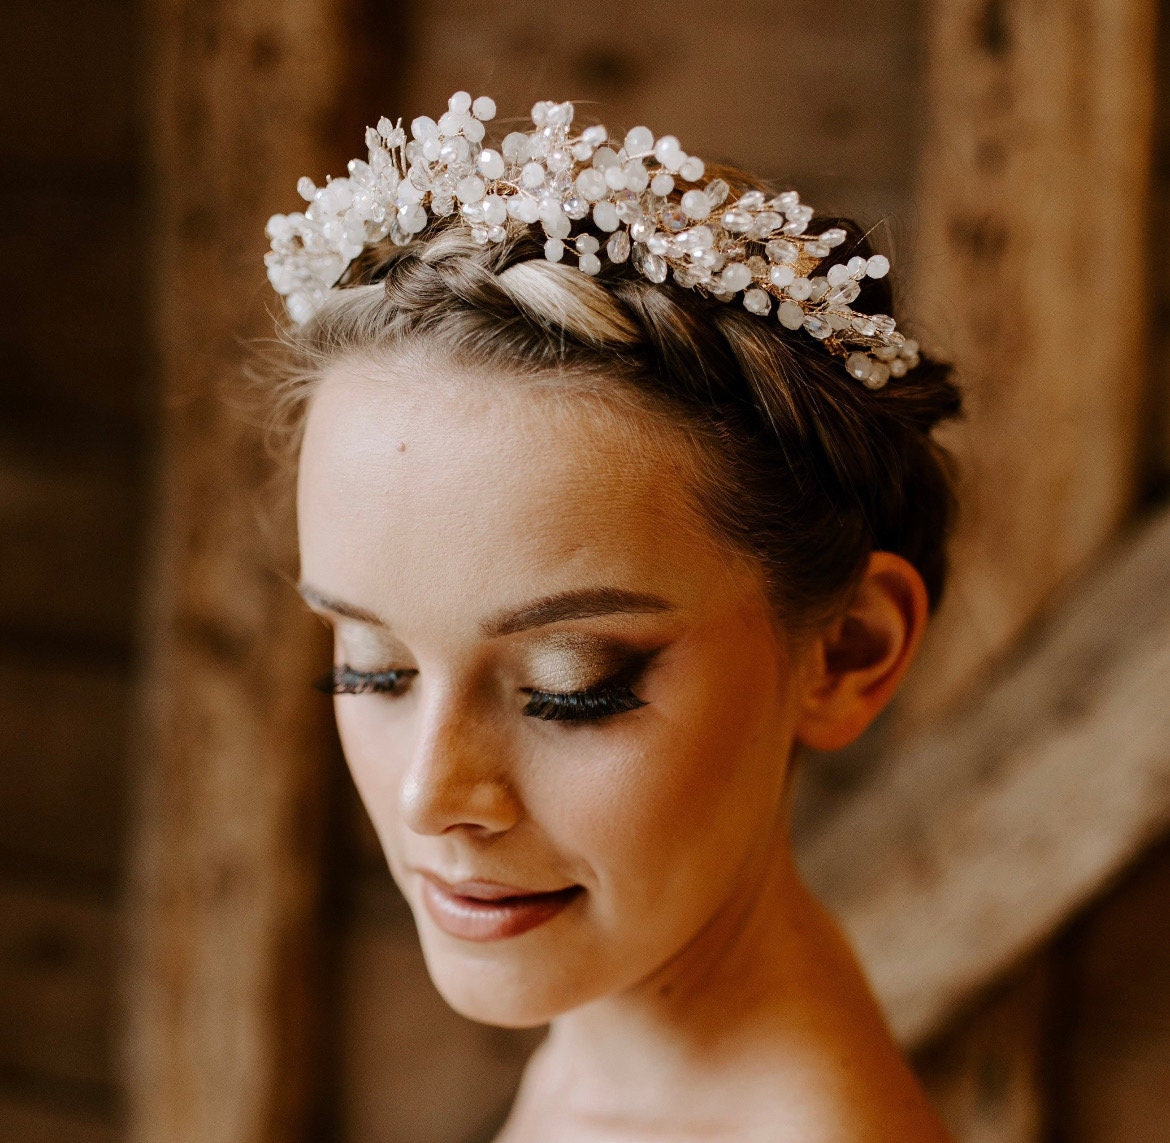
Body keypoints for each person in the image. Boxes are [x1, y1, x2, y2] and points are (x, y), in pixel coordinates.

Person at [267, 93, 962, 1142]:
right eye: (373, 667)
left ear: (848, 651)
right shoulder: (605, 1074)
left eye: (571, 687)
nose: (430, 797)